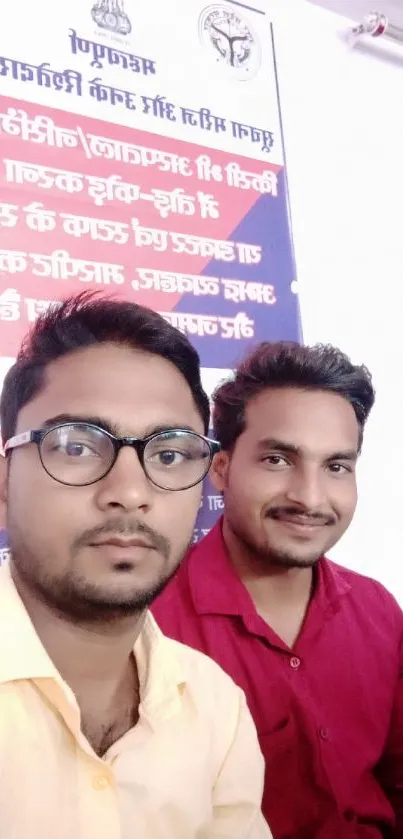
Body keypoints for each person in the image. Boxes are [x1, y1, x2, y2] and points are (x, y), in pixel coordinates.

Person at [0, 293, 272, 839]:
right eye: (76, 446)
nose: (129, 491)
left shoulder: (214, 708)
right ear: (4, 483)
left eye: (169, 454)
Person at [153, 341, 403, 839]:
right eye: (277, 460)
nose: (310, 497)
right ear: (221, 470)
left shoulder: (378, 609)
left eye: (336, 466)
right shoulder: (150, 626)